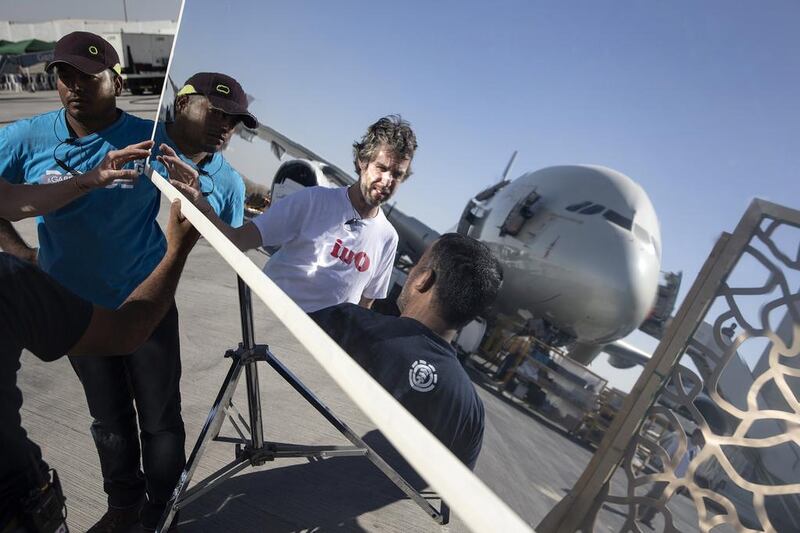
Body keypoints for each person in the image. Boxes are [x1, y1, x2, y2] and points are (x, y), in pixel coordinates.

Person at [0, 31, 212, 532]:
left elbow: (202, 189)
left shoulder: (149, 137)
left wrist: (198, 197)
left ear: (115, 80)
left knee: (160, 419)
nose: (74, 86)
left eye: (88, 77)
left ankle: (165, 508)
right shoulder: (25, 137)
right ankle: (124, 506)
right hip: (75, 309)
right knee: (108, 421)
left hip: (146, 300)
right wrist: (22, 255)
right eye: (64, 75)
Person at [171, 115, 417, 312]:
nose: (387, 181)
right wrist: (201, 204)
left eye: (397, 174)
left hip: (317, 350)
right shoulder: (312, 201)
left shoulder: (388, 239)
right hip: (269, 318)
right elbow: (238, 240)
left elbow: (365, 306)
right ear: (363, 162)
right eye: (382, 168)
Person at [310, 233, 503, 468]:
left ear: (424, 280)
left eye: (418, 265)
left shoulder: (347, 323)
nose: (411, 271)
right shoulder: (470, 411)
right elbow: (439, 497)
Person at [151, 71, 258, 228]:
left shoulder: (232, 187)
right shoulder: (136, 138)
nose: (226, 126)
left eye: (234, 121)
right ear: (182, 103)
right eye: (216, 112)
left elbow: (227, 247)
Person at [638, 427, 705, 528]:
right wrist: (664, 466)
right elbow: (669, 452)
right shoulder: (681, 441)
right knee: (654, 495)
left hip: (678, 480)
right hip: (668, 474)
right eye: (702, 438)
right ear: (696, 435)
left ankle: (647, 518)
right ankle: (638, 513)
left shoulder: (697, 450)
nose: (703, 441)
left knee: (663, 501)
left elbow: (691, 469)